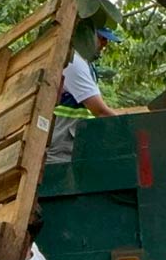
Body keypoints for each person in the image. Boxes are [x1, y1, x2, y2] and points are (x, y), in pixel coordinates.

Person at [46, 27, 120, 164]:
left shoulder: (85, 64)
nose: (105, 44)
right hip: (61, 150)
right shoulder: (73, 62)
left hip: (73, 147)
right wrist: (128, 128)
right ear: (85, 35)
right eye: (101, 38)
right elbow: (100, 111)